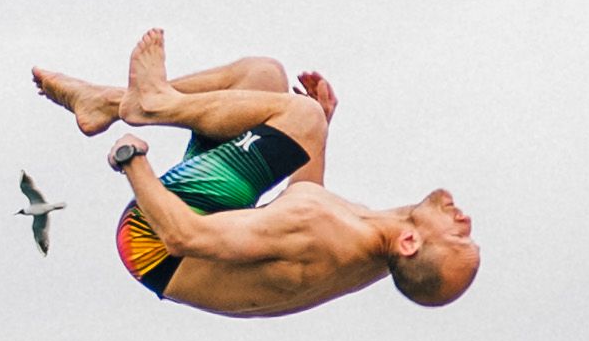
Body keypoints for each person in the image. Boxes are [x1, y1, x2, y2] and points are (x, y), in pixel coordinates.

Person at [29, 33, 479, 320]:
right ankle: (106, 104)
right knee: (262, 77)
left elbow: (185, 236)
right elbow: (303, 196)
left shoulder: (318, 237)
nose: (466, 223)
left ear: (410, 244)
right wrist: (316, 134)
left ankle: (147, 105)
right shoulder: (370, 244)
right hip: (203, 227)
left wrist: (132, 161)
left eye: (459, 237)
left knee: (299, 115)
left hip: (158, 239)